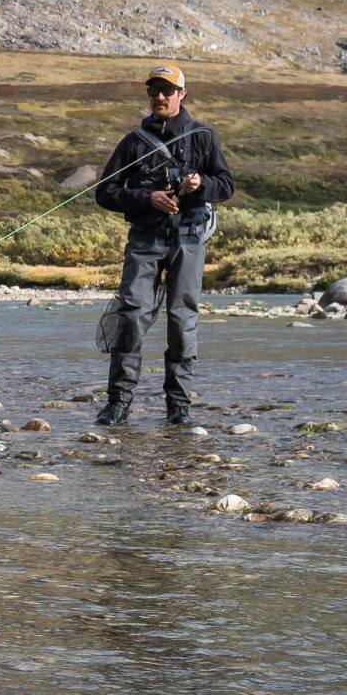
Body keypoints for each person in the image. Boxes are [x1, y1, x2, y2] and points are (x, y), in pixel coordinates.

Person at [91, 64, 234, 426]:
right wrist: (147, 197)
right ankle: (118, 402)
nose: (159, 97)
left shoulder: (203, 136)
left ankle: (178, 406)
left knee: (181, 320)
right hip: (144, 240)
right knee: (132, 316)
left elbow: (227, 185)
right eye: (154, 90)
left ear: (182, 94)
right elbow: (105, 193)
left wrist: (200, 185)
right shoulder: (134, 143)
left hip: (188, 239)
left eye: (167, 91)